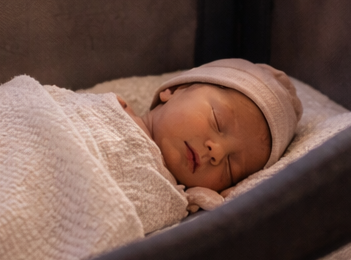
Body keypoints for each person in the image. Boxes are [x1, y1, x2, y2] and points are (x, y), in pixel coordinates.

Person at [117, 59, 303, 212]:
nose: (218, 152)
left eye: (231, 168)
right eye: (218, 121)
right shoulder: (115, 111)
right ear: (175, 90)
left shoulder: (177, 202)